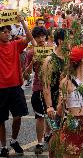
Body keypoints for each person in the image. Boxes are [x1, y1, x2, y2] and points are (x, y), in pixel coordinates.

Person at [0, 16, 32, 157]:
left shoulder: (15, 44)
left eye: (8, 31)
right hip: (0, 88)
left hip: (15, 87)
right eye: (4, 32)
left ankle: (13, 140)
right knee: (1, 120)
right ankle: (3, 146)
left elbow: (29, 38)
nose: (7, 34)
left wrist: (22, 21)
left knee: (18, 116)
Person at [23, 26, 48, 154]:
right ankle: (39, 142)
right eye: (38, 37)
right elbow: (25, 75)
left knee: (52, 114)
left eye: (43, 36)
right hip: (38, 88)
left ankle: (49, 135)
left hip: (52, 87)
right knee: (40, 117)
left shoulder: (51, 50)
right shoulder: (31, 52)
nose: (41, 39)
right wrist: (33, 62)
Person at [42, 29, 65, 157]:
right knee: (55, 133)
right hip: (55, 101)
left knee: (66, 132)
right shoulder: (50, 60)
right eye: (69, 39)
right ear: (60, 41)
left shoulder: (69, 57)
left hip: (67, 101)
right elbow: (46, 86)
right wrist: (50, 106)